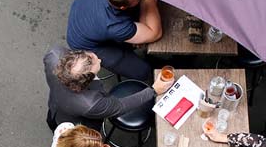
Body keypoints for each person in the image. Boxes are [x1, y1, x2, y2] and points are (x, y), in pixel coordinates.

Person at [44, 45, 173, 131]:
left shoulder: (54, 55)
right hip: (77, 124)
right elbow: (121, 106)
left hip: (55, 105)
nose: (99, 59)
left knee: (53, 120)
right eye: (96, 63)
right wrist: (154, 90)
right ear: (87, 80)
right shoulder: (91, 104)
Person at [66, 0, 162, 81]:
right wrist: (149, 2)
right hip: (87, 44)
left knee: (135, 35)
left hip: (87, 14)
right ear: (123, 7)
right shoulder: (113, 25)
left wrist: (138, 33)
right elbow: (155, 34)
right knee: (141, 70)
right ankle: (150, 74)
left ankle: (128, 40)